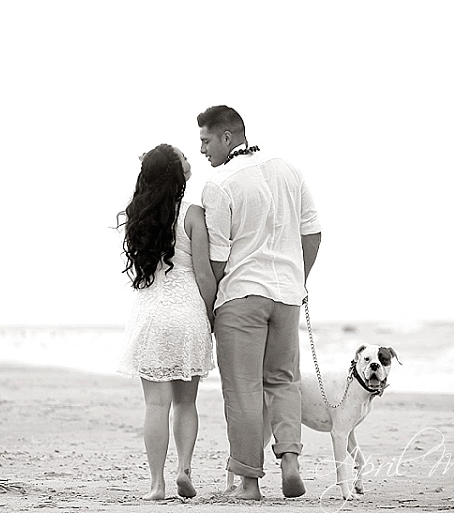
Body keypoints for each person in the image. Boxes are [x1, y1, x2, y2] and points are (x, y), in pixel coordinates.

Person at [197, 105, 321, 500]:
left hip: (240, 296)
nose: (202, 150)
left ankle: (249, 482)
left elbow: (217, 256)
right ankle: (290, 459)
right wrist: (295, 279)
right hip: (286, 296)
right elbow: (313, 235)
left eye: (205, 141)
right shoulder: (289, 169)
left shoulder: (219, 184)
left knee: (243, 390)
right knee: (284, 382)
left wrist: (211, 307)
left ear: (227, 137)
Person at [117, 143, 217, 501]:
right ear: (178, 174)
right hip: (187, 310)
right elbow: (205, 275)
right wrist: (209, 317)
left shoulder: (137, 215)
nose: (191, 160)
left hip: (151, 314)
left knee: (155, 405)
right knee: (186, 403)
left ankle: (157, 484)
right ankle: (184, 469)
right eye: (184, 158)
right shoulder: (194, 215)